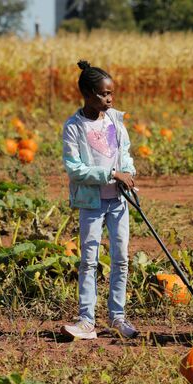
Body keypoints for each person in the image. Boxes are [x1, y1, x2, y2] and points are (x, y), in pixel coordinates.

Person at [60, 60, 138, 340]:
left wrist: (127, 171)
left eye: (111, 93)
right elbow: (75, 169)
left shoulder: (116, 120)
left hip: (118, 201)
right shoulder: (74, 127)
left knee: (121, 258)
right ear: (87, 94)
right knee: (89, 261)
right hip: (91, 203)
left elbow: (125, 152)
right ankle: (86, 321)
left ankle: (118, 317)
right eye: (104, 94)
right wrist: (112, 173)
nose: (109, 99)